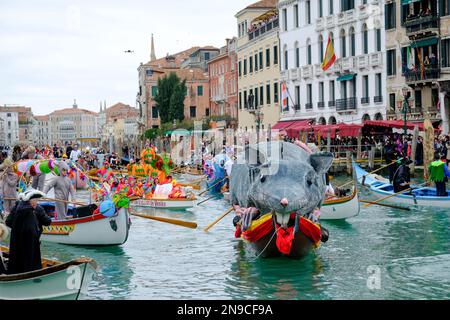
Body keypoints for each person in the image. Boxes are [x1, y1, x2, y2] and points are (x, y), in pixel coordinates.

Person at [5, 189, 51, 274]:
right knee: (29, 262)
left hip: (16, 241)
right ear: (31, 201)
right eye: (37, 200)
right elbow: (47, 222)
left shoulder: (16, 207)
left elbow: (8, 222)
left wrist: (17, 229)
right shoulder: (36, 210)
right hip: (30, 244)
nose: (37, 203)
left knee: (17, 261)